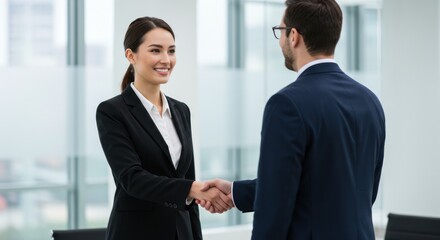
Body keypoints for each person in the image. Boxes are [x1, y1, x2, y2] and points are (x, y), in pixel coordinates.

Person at [198, 0, 385, 239]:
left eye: (280, 31)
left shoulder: (286, 104)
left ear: (294, 36)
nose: (280, 40)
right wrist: (235, 192)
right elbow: (359, 191)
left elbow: (274, 207)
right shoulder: (370, 101)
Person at [96, 16, 232, 240]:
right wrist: (191, 189)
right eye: (156, 50)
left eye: (171, 51)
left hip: (181, 232)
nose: (166, 59)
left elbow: (188, 177)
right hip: (136, 233)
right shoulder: (112, 111)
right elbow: (132, 178)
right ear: (131, 55)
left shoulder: (181, 111)